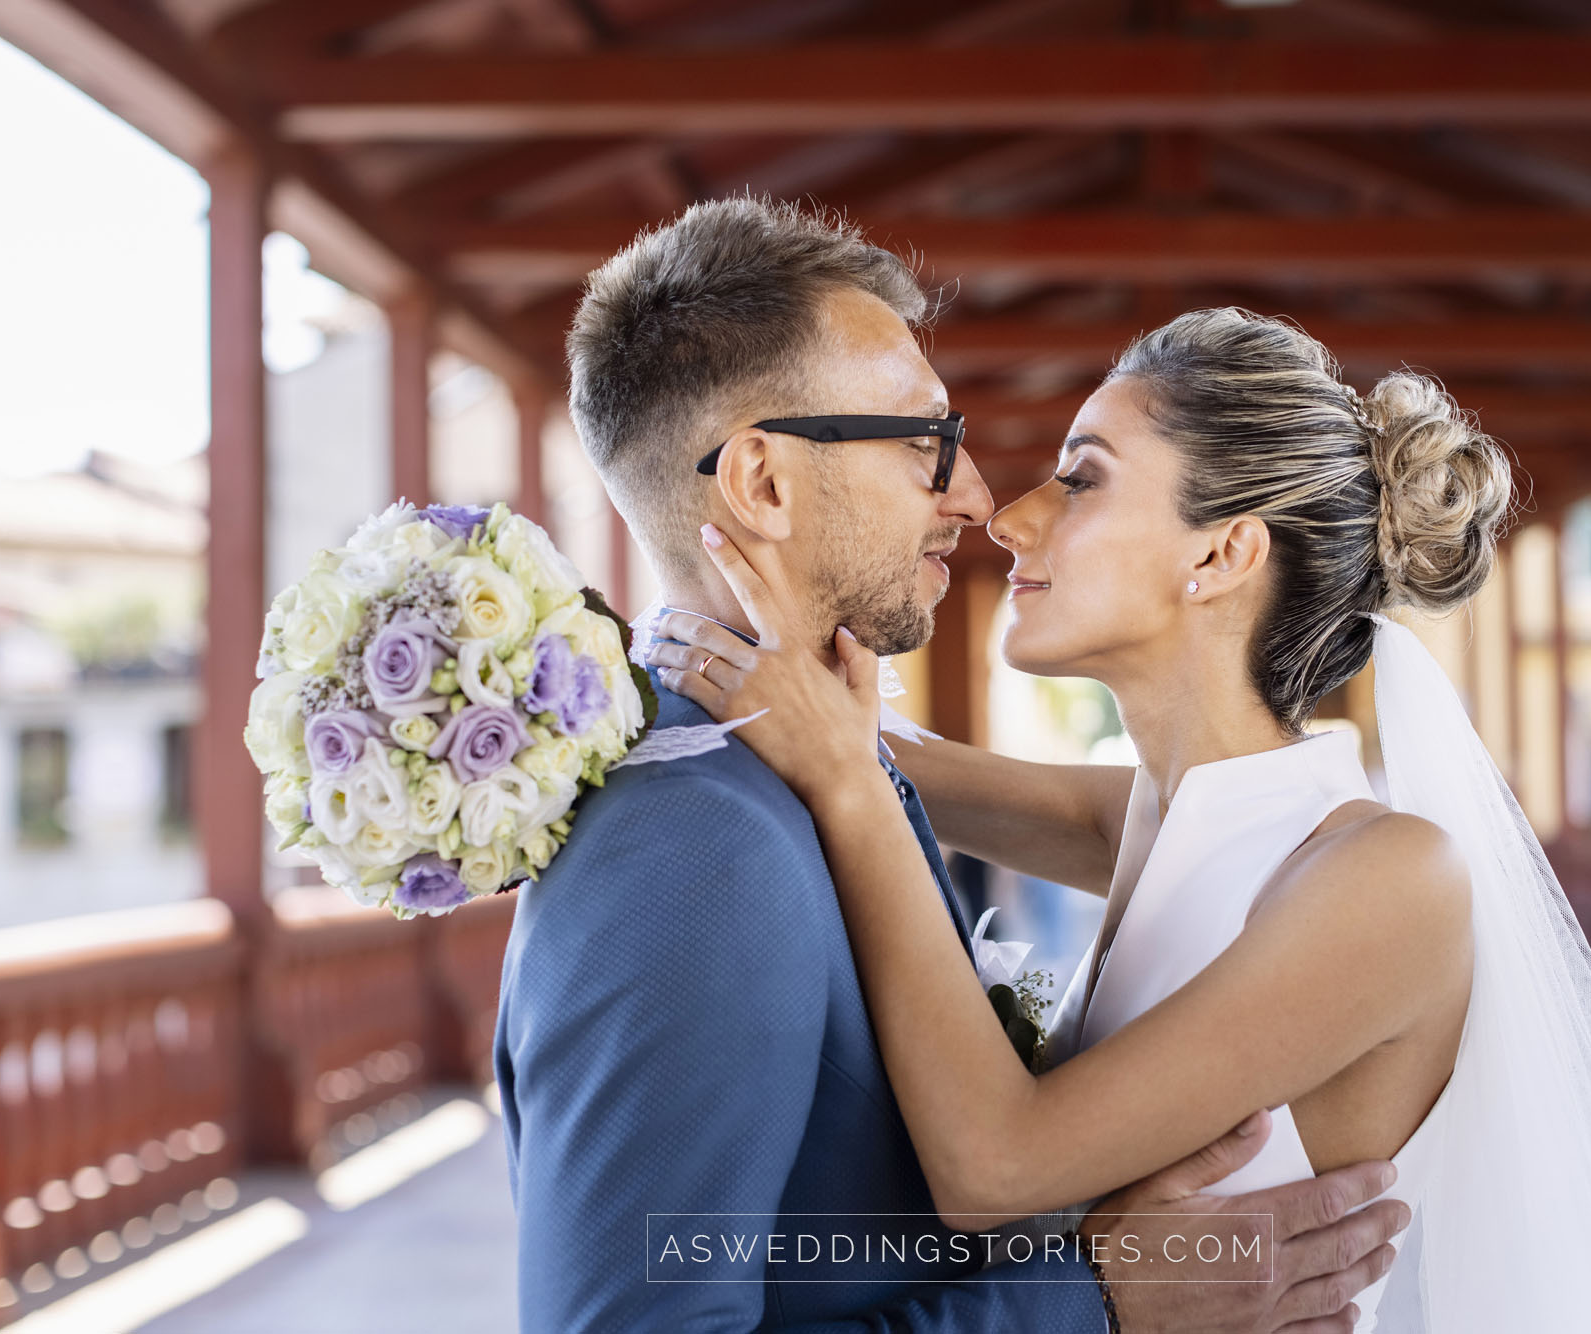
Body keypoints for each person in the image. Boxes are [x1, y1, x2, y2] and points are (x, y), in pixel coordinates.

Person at [649, 306, 1591, 1332]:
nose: (1008, 515)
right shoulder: (1160, 818)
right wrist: (679, 644)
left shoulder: (1386, 875)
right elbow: (889, 758)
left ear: (1219, 555)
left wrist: (844, 782)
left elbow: (994, 1167)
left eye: (1079, 480)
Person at [493, 199, 1407, 1332]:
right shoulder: (692, 843)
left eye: (1078, 477)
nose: (979, 498)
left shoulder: (823, 779)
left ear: (1225, 553)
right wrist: (1090, 1299)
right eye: (927, 440)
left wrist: (848, 753)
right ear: (765, 485)